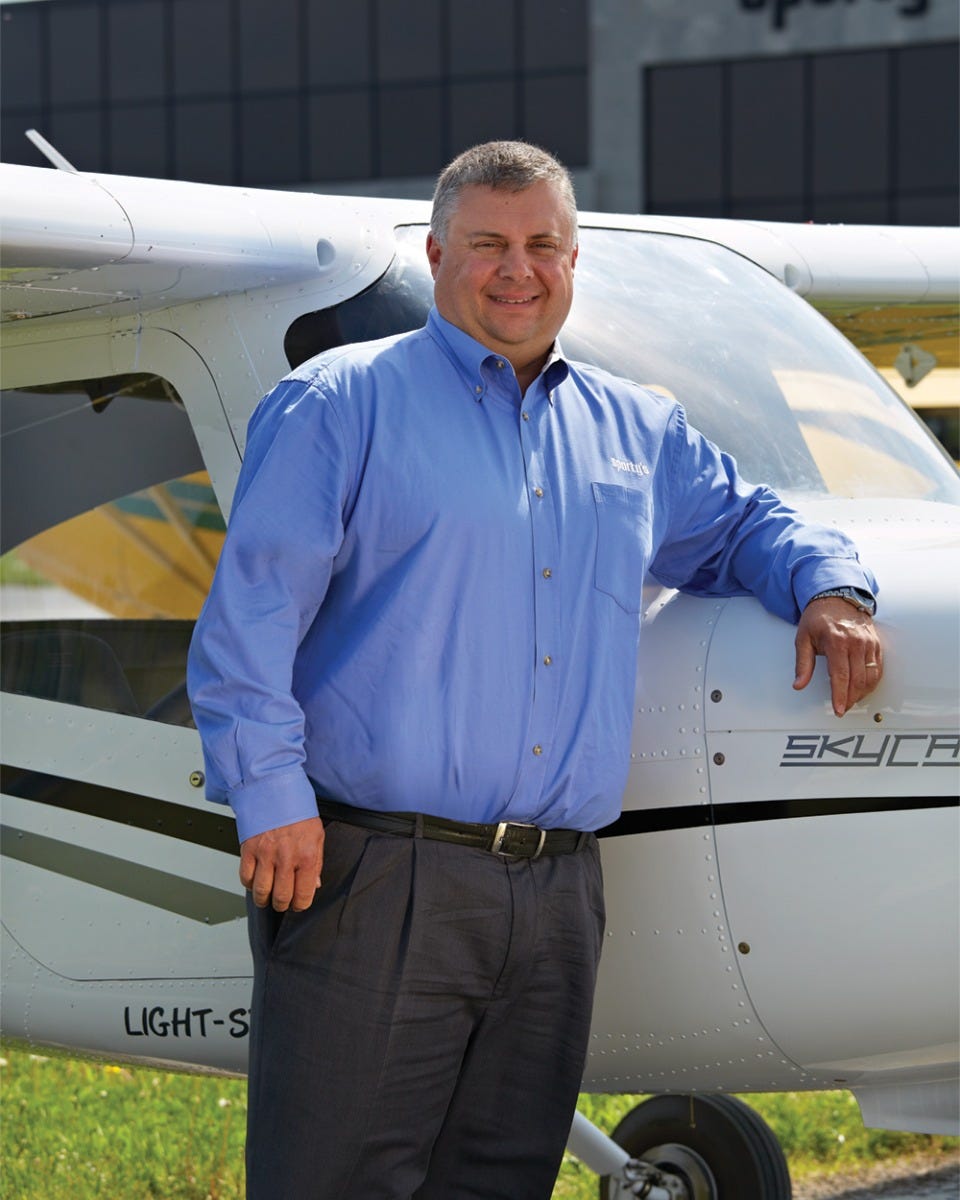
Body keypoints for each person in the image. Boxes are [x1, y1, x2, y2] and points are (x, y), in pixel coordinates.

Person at [187, 140, 883, 1200]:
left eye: (544, 245)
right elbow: (247, 626)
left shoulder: (635, 428)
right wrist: (271, 796)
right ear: (435, 254)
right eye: (490, 245)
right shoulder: (337, 404)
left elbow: (747, 524)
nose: (520, 268)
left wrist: (833, 590)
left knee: (502, 1180)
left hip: (558, 891)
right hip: (375, 874)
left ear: (571, 258)